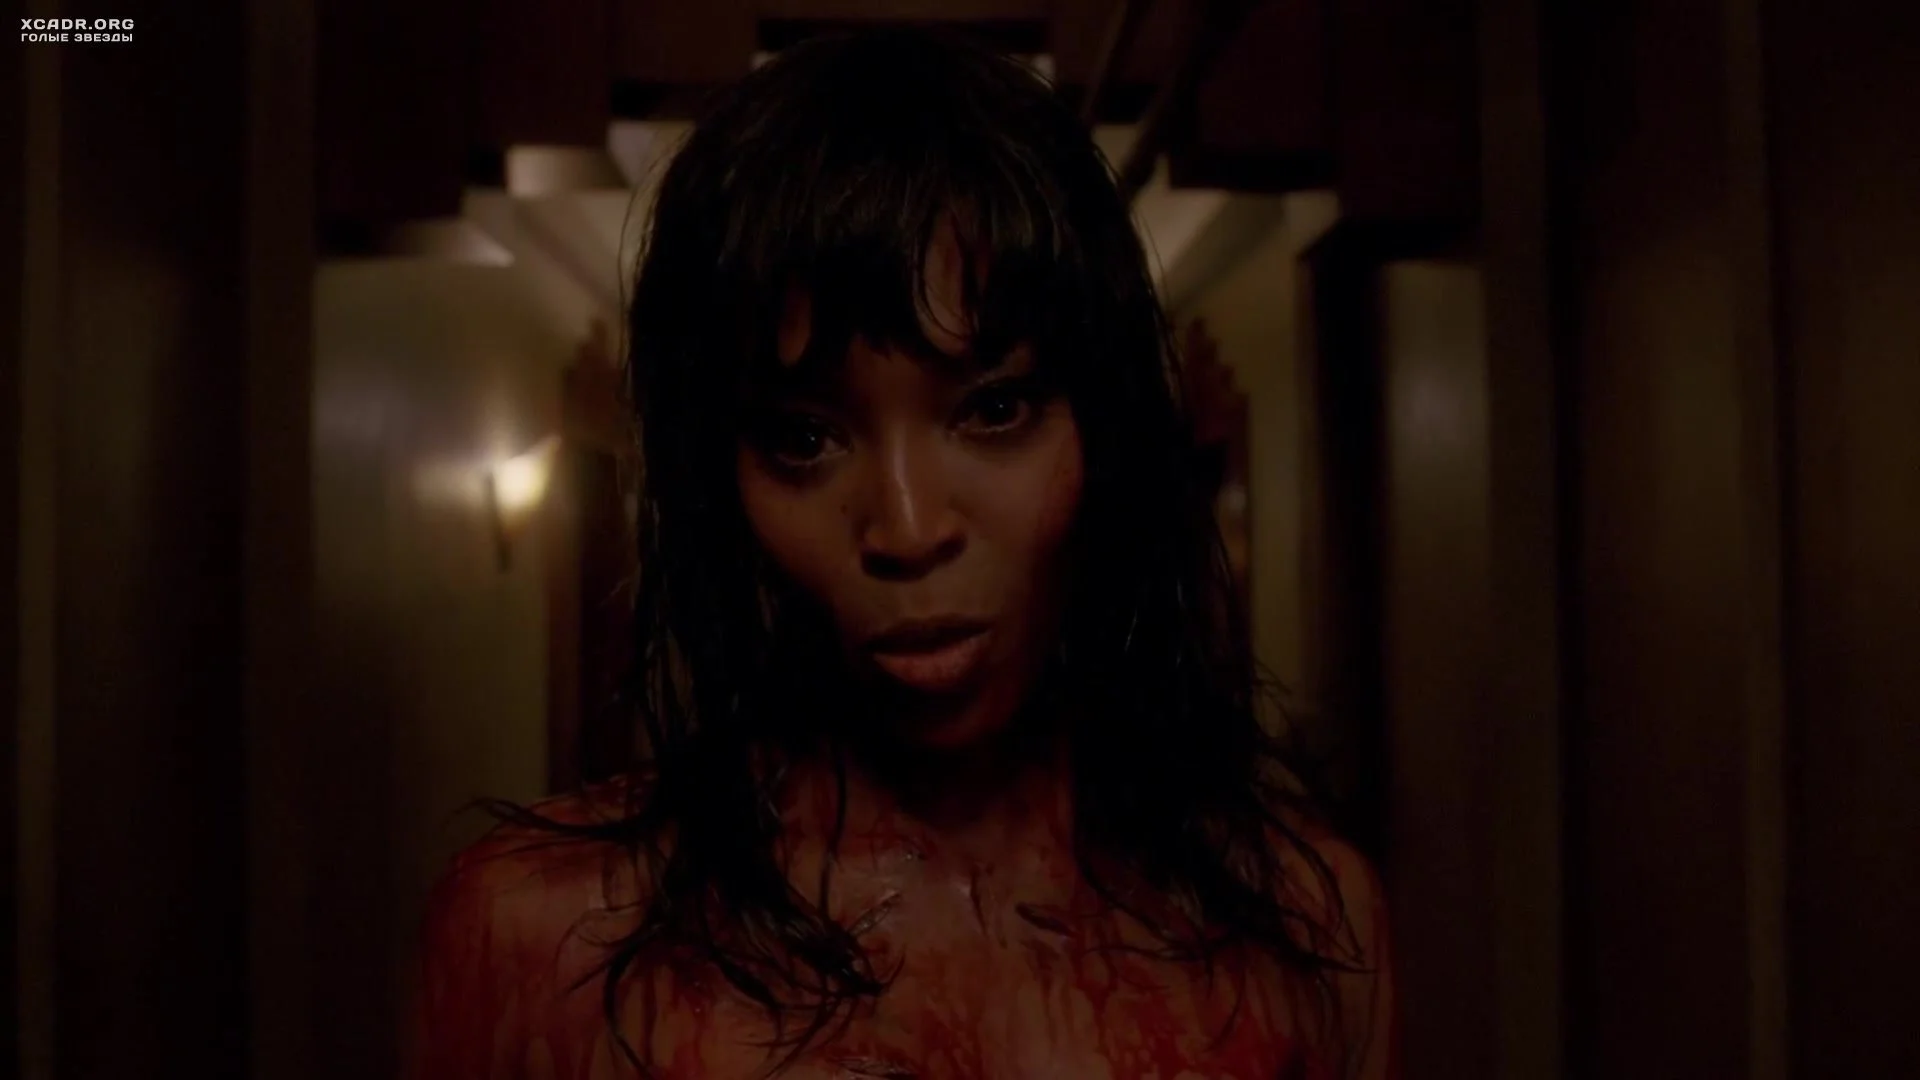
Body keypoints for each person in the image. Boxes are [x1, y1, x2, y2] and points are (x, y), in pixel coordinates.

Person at [410, 26, 1396, 1080]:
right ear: (718, 482)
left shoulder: (1304, 923)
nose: (910, 529)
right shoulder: (545, 940)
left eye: (995, 410)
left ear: (1104, 431)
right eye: (804, 439)